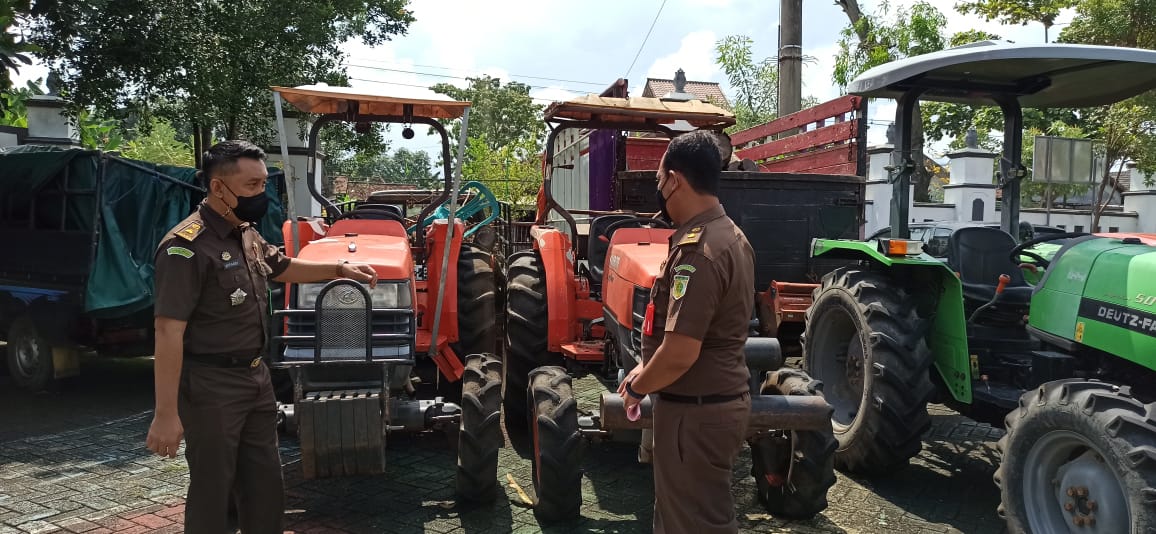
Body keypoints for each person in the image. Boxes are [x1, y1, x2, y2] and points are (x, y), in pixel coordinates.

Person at [144, 140, 378, 534]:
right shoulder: (186, 248)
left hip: (256, 378)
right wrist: (165, 414)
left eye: (264, 184)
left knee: (265, 486)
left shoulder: (245, 232)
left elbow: (280, 266)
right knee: (213, 491)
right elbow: (168, 332)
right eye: (251, 186)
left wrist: (339, 268)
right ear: (219, 188)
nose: (261, 194)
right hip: (211, 386)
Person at [618, 129, 756, 534]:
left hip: (695, 415)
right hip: (706, 406)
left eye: (659, 179)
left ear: (675, 179)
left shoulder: (700, 251)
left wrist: (638, 385)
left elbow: (680, 352)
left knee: (693, 525)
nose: (658, 188)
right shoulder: (730, 236)